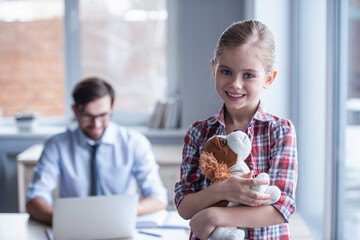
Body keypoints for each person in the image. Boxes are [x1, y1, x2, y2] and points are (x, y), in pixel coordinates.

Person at [174, 20, 298, 240]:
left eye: (248, 75)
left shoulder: (280, 131)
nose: (235, 84)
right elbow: (184, 207)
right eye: (226, 71)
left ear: (268, 79)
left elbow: (281, 208)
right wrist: (222, 190)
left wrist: (214, 216)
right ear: (214, 69)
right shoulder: (199, 133)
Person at [26, 77, 167, 224]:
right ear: (75, 111)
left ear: (112, 108)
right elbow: (34, 199)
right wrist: (64, 221)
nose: (96, 124)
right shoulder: (56, 145)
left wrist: (116, 215)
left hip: (118, 225)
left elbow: (157, 198)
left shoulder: (134, 143)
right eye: (88, 116)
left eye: (103, 115)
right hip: (74, 229)